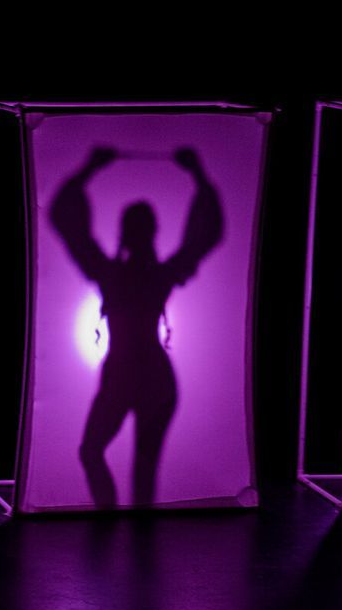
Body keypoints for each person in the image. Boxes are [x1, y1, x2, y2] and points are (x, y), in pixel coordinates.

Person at [49, 146, 222, 508]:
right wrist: (199, 175)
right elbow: (205, 236)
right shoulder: (159, 275)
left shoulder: (112, 275)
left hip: (125, 374)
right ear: (153, 233)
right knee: (139, 472)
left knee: (96, 453)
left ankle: (110, 524)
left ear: (124, 233)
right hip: (154, 377)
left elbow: (67, 222)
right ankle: (124, 535)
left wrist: (88, 169)